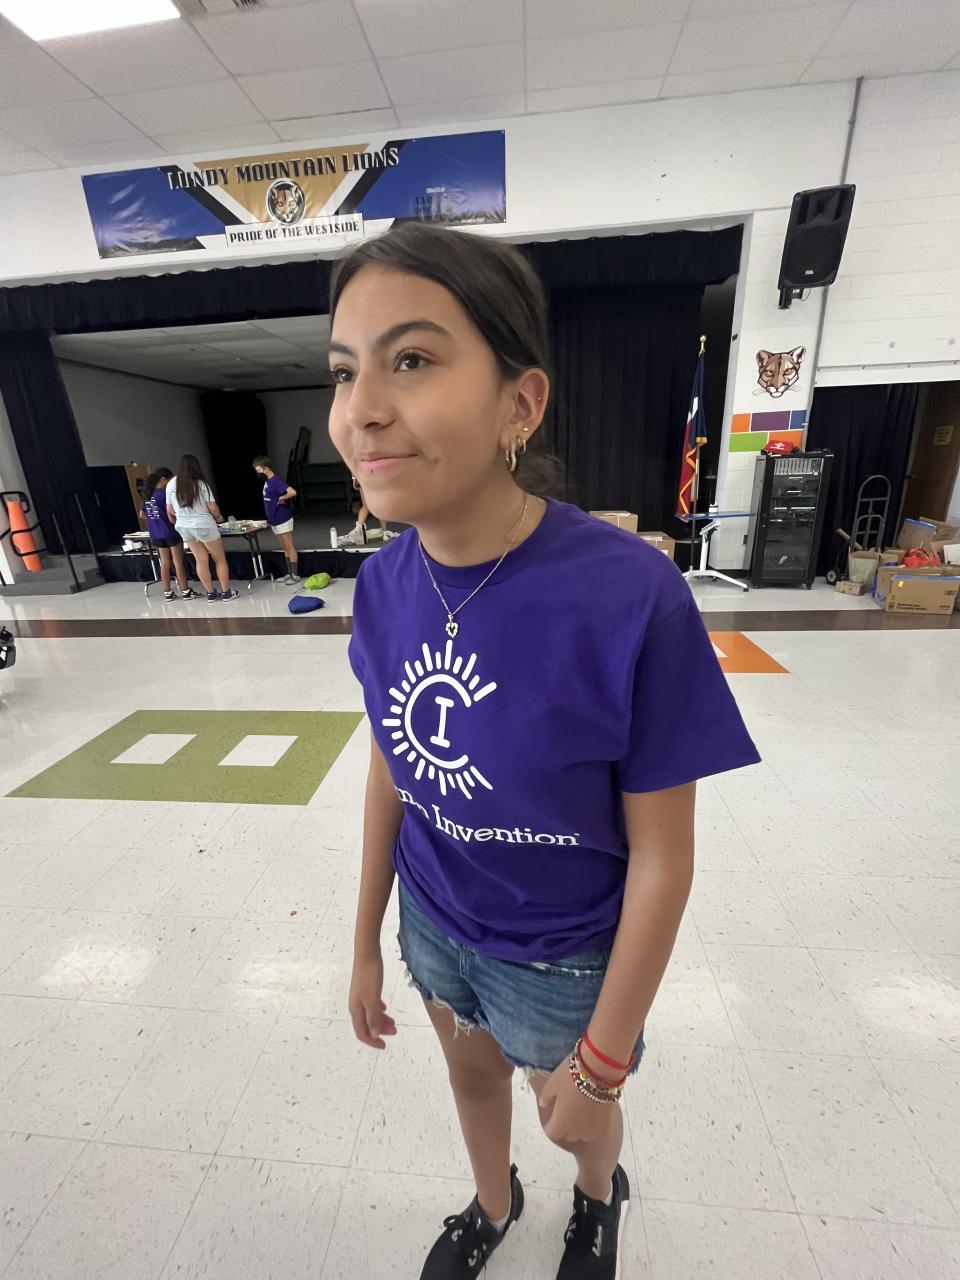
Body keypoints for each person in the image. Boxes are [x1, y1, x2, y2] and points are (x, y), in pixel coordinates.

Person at [330, 222, 760, 1280]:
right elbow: (392, 761)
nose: (361, 408)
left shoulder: (628, 593)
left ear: (520, 404)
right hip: (437, 922)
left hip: (565, 952)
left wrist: (602, 1064)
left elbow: (663, 855)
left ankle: (598, 1196)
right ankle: (493, 1201)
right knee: (471, 1078)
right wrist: (366, 936)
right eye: (344, 371)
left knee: (573, 1119)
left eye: (411, 360)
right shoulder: (382, 584)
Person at [165, 455, 239, 602]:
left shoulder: (172, 483)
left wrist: (183, 515)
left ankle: (211, 594)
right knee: (219, 559)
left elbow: (170, 509)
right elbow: (213, 507)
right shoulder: (200, 484)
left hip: (184, 526)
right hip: (203, 524)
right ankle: (226, 592)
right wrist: (218, 517)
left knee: (200, 560)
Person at [139, 467, 201, 602]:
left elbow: (142, 515)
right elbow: (172, 511)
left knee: (165, 562)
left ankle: (167, 592)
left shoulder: (147, 495)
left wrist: (155, 520)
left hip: (156, 534)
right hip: (171, 531)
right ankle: (185, 591)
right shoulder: (164, 494)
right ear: (163, 479)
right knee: (178, 562)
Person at [252, 455, 300, 584]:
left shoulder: (276, 481)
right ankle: (289, 573)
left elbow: (292, 492)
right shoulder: (268, 481)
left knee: (289, 546)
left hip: (282, 518)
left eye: (259, 470)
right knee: (284, 547)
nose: (258, 473)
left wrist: (281, 498)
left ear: (266, 468)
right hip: (274, 519)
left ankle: (295, 575)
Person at [333, 478, 397, 547]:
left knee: (365, 506)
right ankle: (385, 533)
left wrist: (354, 479)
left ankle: (358, 528)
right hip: (375, 478)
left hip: (363, 478)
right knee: (380, 505)